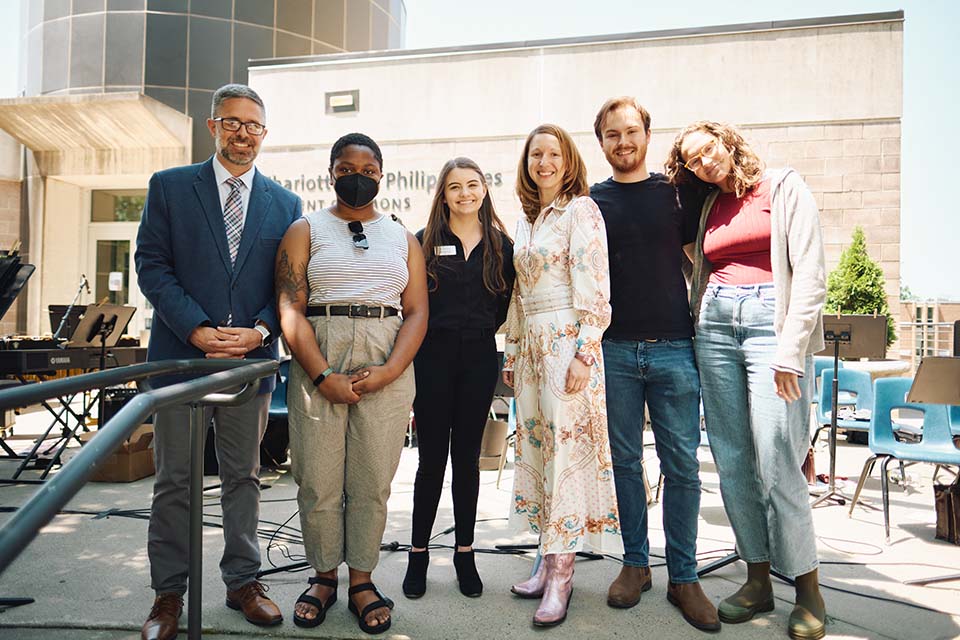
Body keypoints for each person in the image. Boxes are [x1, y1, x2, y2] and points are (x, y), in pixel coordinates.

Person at [135, 83, 301, 640]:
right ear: (212, 126)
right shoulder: (171, 187)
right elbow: (153, 266)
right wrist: (198, 330)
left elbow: (289, 286)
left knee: (244, 476)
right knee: (175, 481)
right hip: (181, 362)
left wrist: (258, 331)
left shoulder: (285, 204)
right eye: (232, 122)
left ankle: (243, 583)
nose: (242, 133)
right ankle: (167, 597)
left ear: (264, 134)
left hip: (248, 366)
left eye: (253, 125)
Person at [665, 121, 827, 640]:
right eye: (692, 160)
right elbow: (700, 258)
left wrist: (791, 350)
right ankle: (757, 578)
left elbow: (809, 272)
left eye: (708, 150)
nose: (703, 162)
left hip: (770, 326)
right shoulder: (710, 205)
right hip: (714, 325)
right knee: (732, 458)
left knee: (779, 456)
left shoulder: (783, 187)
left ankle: (808, 589)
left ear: (727, 143)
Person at [276, 132, 428, 635]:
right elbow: (290, 308)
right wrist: (321, 375)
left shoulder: (403, 237)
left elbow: (417, 312)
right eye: (345, 168)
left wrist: (390, 370)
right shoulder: (305, 229)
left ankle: (362, 579)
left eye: (366, 168)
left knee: (371, 482)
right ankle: (323, 576)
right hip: (320, 350)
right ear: (331, 172)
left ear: (381, 174)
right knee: (317, 479)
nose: (355, 176)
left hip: (386, 355)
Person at [589, 97, 720, 632]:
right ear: (601, 143)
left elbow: (703, 255)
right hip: (614, 350)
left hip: (674, 346)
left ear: (647, 133)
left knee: (682, 467)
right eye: (612, 135)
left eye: (631, 131)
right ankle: (636, 564)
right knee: (624, 463)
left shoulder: (679, 195)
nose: (623, 142)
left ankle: (684, 576)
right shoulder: (591, 202)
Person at [502, 123, 620, 628]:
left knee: (568, 455)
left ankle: (563, 577)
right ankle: (545, 561)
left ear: (568, 161)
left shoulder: (581, 211)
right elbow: (518, 293)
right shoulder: (528, 220)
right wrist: (511, 351)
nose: (544, 162)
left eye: (553, 154)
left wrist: (584, 354)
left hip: (567, 348)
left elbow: (595, 286)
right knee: (539, 453)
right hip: (530, 349)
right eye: (536, 155)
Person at [402, 158, 515, 599]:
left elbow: (503, 307)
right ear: (443, 194)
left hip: (479, 357)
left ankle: (465, 555)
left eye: (472, 185)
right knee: (431, 461)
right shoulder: (422, 241)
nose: (464, 193)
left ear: (485, 189)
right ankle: (417, 556)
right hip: (432, 357)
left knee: (467, 461)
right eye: (455, 187)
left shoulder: (502, 246)